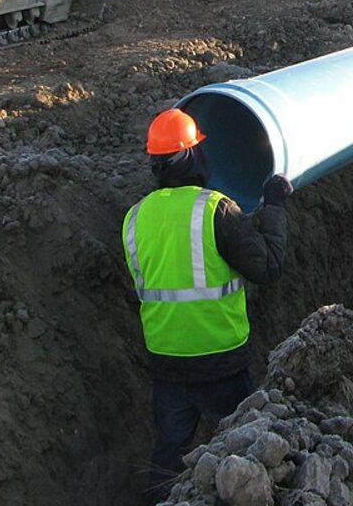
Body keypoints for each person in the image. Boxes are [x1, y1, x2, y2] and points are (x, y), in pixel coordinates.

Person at [122, 107, 293, 502]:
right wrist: (274, 206)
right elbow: (268, 267)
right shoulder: (215, 209)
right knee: (244, 450)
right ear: (192, 157)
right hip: (221, 360)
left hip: (166, 361)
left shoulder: (134, 218)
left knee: (167, 457)